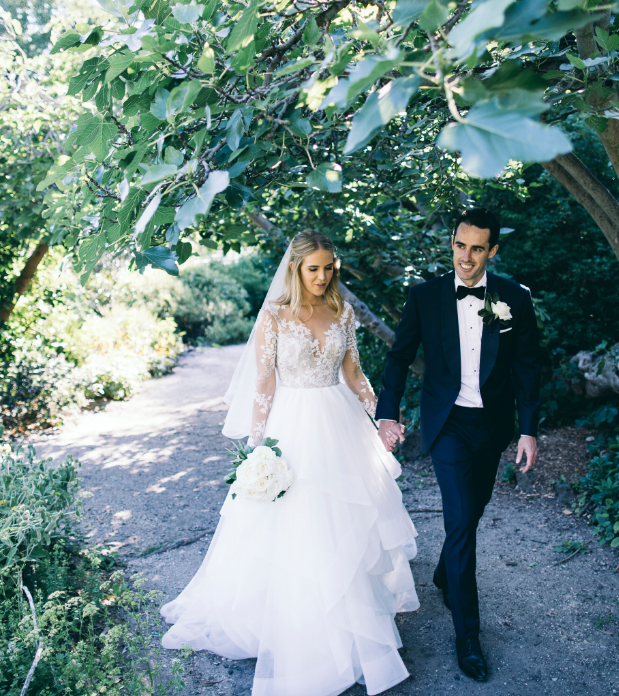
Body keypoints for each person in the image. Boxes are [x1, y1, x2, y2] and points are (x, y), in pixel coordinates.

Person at [160, 229, 419, 696]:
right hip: (292, 428)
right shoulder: (276, 317)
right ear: (296, 268)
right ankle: (294, 626)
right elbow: (263, 382)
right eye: (313, 268)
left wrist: (381, 417)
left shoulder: (342, 311)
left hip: (339, 422)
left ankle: (351, 617)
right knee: (296, 524)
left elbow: (353, 372)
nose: (322, 277)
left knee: (344, 520)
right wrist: (260, 448)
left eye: (328, 268)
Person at [376, 208, 541, 683]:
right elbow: (399, 356)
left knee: (474, 510)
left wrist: (528, 429)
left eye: (476, 248)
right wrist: (388, 411)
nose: (465, 257)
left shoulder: (514, 297)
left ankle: (447, 574)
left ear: (492, 251)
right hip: (446, 423)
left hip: (492, 426)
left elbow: (529, 366)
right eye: (458, 245)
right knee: (461, 521)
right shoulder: (425, 297)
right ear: (452, 243)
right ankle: (467, 634)